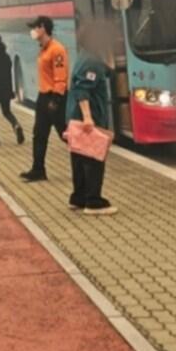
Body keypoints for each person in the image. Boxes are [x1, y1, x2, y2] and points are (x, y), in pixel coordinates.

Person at [67, 21, 114, 214]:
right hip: (87, 118)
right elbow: (82, 90)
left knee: (79, 158)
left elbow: (109, 71)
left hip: (75, 119)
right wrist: (88, 118)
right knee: (93, 159)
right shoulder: (91, 63)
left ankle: (78, 197)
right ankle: (93, 201)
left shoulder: (87, 58)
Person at [20, 16, 68, 182]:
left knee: (65, 133)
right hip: (43, 96)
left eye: (34, 27)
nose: (32, 31)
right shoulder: (43, 49)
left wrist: (56, 100)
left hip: (54, 97)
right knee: (39, 134)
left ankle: (85, 161)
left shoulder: (57, 50)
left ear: (43, 28)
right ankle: (38, 169)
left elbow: (61, 77)